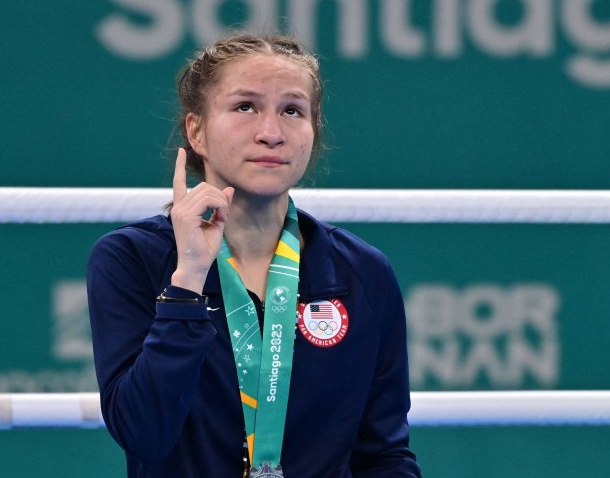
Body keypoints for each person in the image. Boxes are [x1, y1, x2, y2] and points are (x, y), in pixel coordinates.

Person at [87, 33, 420, 477]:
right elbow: (145, 434)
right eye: (245, 107)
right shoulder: (132, 259)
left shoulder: (360, 271)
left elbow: (384, 456)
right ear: (197, 130)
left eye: (292, 110)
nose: (271, 133)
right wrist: (186, 282)